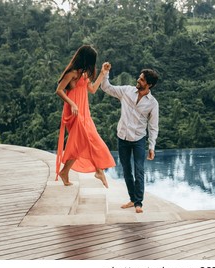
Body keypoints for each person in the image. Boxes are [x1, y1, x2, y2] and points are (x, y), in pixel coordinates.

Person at [100, 62, 159, 213]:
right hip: (122, 138)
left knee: (139, 170)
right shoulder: (126, 91)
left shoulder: (153, 104)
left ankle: (139, 203)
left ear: (149, 85)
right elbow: (107, 88)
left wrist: (151, 147)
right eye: (139, 78)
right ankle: (132, 199)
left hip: (139, 139)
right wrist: (105, 73)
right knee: (126, 171)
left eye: (142, 79)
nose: (138, 80)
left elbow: (153, 127)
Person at [55, 45, 115, 188]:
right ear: (85, 59)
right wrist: (72, 104)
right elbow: (59, 90)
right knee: (87, 139)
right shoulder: (72, 73)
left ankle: (65, 172)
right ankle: (98, 170)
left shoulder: (84, 75)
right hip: (74, 111)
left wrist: (103, 73)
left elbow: (93, 89)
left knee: (82, 141)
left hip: (84, 112)